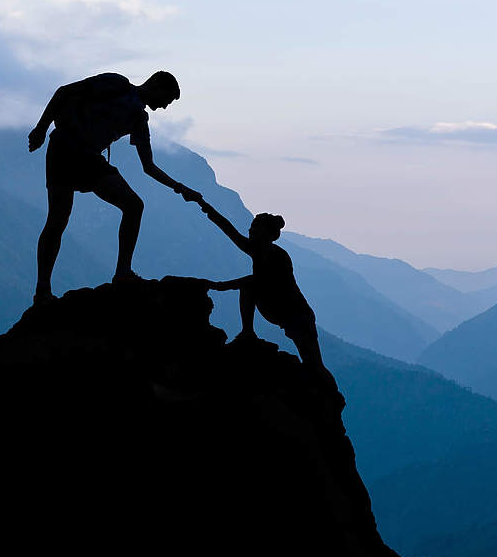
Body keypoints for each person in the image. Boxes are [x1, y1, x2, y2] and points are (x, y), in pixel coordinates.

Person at [27, 71, 201, 305]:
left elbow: (148, 166)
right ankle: (45, 290)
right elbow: (64, 91)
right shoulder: (116, 83)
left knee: (129, 207)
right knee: (59, 220)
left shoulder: (139, 119)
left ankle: (118, 273)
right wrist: (41, 128)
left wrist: (180, 188)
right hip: (67, 148)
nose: (164, 108)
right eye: (166, 100)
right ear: (155, 84)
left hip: (79, 155)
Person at [196, 197, 333, 384]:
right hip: (279, 310)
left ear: (268, 234)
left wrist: (219, 285)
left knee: (314, 365)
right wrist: (203, 205)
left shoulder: (278, 257)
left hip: (298, 316)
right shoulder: (257, 249)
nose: (250, 230)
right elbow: (227, 228)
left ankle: (328, 395)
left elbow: (257, 281)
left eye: (255, 227)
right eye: (251, 227)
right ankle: (247, 332)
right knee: (312, 364)